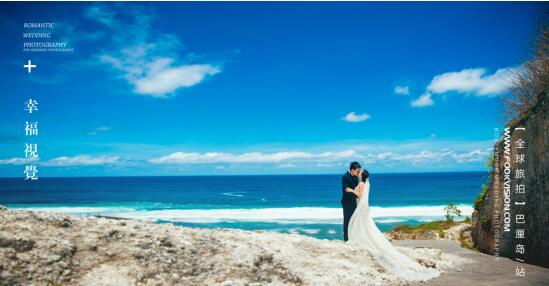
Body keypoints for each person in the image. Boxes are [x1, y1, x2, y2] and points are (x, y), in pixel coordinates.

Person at [346, 169, 440, 281]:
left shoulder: (361, 183)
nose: (358, 173)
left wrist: (351, 190)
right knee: (365, 226)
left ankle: (360, 241)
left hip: (361, 207)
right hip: (363, 207)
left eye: (360, 172)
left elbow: (360, 196)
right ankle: (362, 240)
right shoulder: (365, 183)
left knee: (360, 225)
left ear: (362, 175)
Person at [341, 161, 361, 241]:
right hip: (347, 202)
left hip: (354, 201)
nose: (358, 172)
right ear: (352, 170)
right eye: (357, 170)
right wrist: (355, 192)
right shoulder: (345, 176)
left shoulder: (355, 176)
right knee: (347, 221)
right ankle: (346, 239)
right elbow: (345, 188)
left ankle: (353, 237)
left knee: (354, 220)